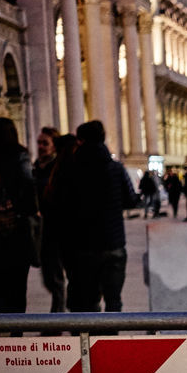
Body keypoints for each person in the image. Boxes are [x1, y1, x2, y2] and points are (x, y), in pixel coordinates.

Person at [55, 120, 138, 311]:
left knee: (89, 300)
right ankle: (111, 339)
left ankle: (92, 339)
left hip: (84, 246)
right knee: (114, 300)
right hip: (113, 244)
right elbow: (131, 200)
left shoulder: (72, 169)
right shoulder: (116, 168)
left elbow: (64, 203)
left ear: (81, 141)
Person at [0, 117, 38, 314]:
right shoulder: (19, 155)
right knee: (19, 285)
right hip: (16, 229)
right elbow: (29, 187)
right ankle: (16, 333)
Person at [32, 126, 65, 312]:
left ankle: (57, 318)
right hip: (40, 229)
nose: (41, 146)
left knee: (55, 275)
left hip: (54, 227)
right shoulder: (37, 166)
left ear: (54, 146)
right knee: (47, 275)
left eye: (45, 143)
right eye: (39, 142)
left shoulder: (57, 168)